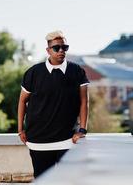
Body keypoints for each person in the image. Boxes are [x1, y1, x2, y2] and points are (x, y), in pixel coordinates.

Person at [17, 30, 89, 178]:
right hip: (38, 140)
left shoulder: (77, 71)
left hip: (68, 140)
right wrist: (20, 130)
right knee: (43, 180)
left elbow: (84, 102)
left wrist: (82, 130)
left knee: (69, 180)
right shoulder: (33, 73)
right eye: (57, 48)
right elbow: (22, 101)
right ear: (48, 50)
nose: (61, 51)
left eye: (65, 47)